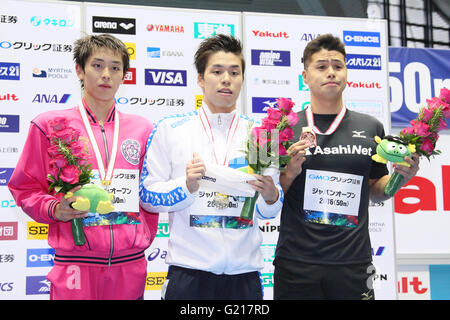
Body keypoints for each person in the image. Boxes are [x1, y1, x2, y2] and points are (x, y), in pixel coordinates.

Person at [8, 34, 159, 300]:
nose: (106, 75)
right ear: (79, 70)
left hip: (130, 264)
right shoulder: (50, 126)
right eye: (97, 65)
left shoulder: (143, 129)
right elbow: (25, 187)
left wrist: (141, 235)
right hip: (75, 264)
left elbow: (152, 190)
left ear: (124, 75)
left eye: (115, 68)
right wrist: (55, 209)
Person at [273, 34, 420, 300]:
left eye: (338, 66)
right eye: (321, 66)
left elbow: (377, 190)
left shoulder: (371, 127)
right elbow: (271, 196)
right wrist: (289, 173)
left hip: (353, 262)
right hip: (296, 262)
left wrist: (401, 177)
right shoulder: (285, 127)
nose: (331, 72)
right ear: (304, 76)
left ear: (346, 73)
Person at [139, 34, 283, 300]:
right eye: (217, 71)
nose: (226, 79)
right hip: (189, 273)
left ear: (242, 79)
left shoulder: (261, 134)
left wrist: (271, 195)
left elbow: (269, 211)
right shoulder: (170, 129)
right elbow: (147, 196)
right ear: (201, 79)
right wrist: (186, 186)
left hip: (244, 276)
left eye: (234, 72)